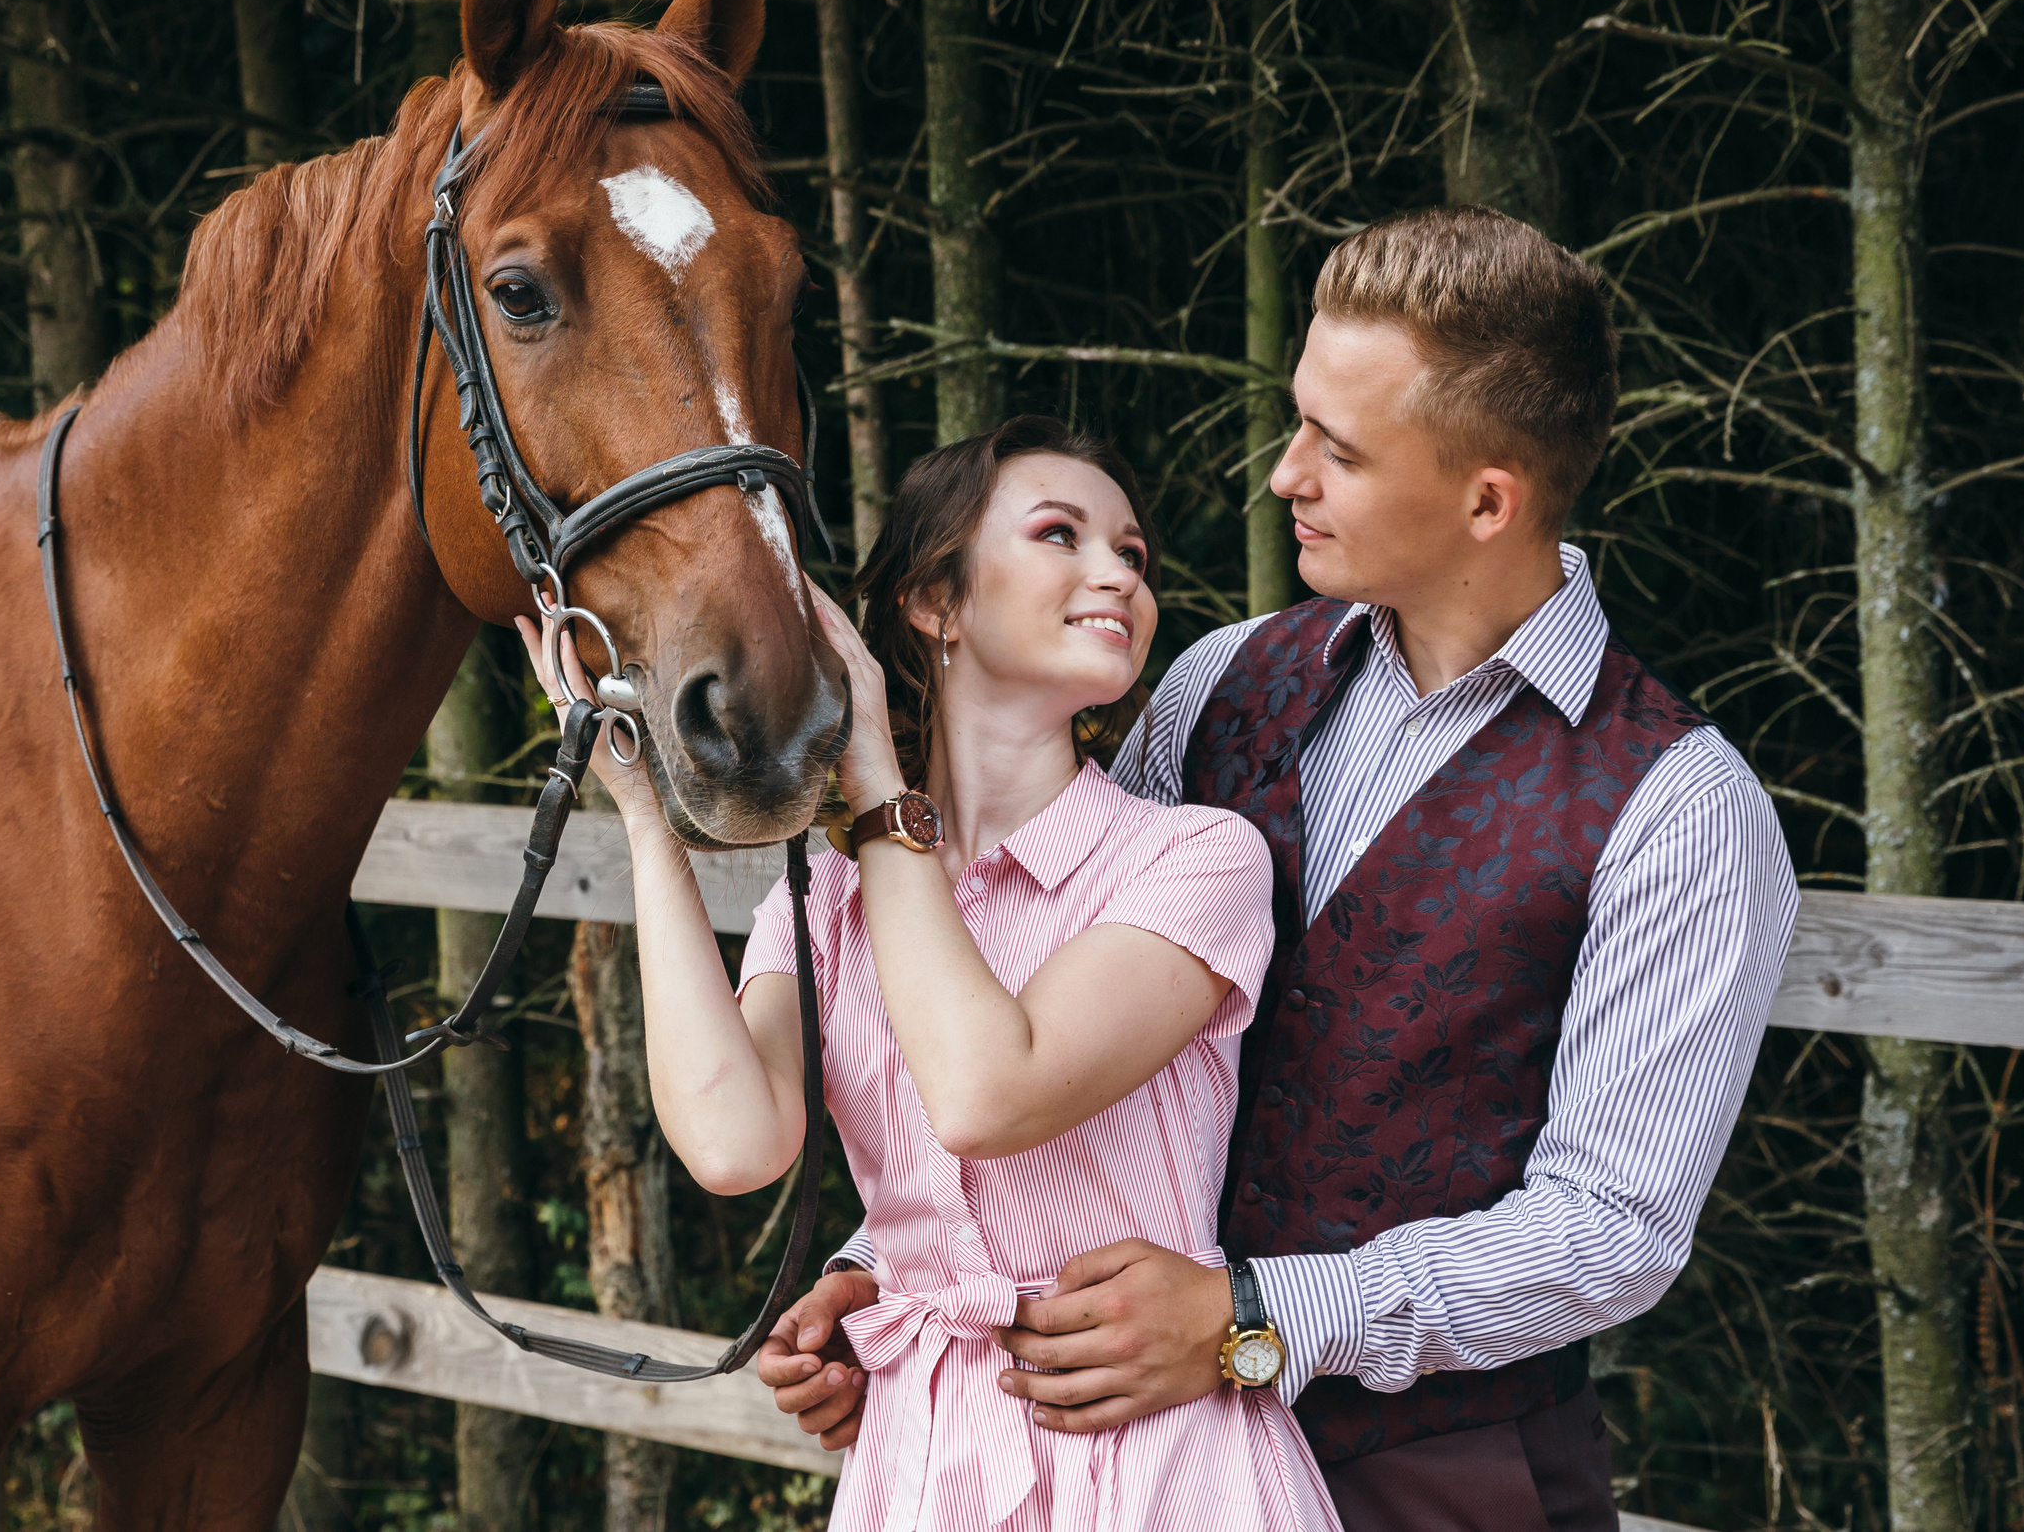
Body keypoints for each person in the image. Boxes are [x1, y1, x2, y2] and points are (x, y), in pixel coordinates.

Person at [758, 207, 1799, 1532]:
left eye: (1337, 449)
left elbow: (1611, 1231)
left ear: (1488, 500)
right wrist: (902, 1269)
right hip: (1131, 1471)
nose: (1281, 474)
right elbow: (1051, 1017)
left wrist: (1250, 1320)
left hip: (1446, 1476)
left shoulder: (1680, 808)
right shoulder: (1219, 684)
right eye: (1296, 420)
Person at [521, 416, 1340, 1530]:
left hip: (1154, 1465)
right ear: (935, 602)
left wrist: (876, 789)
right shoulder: (827, 904)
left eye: (1132, 554)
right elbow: (732, 1143)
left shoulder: (1195, 859)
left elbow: (987, 1092)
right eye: (1061, 534)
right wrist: (640, 813)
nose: (1118, 574)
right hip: (919, 1470)